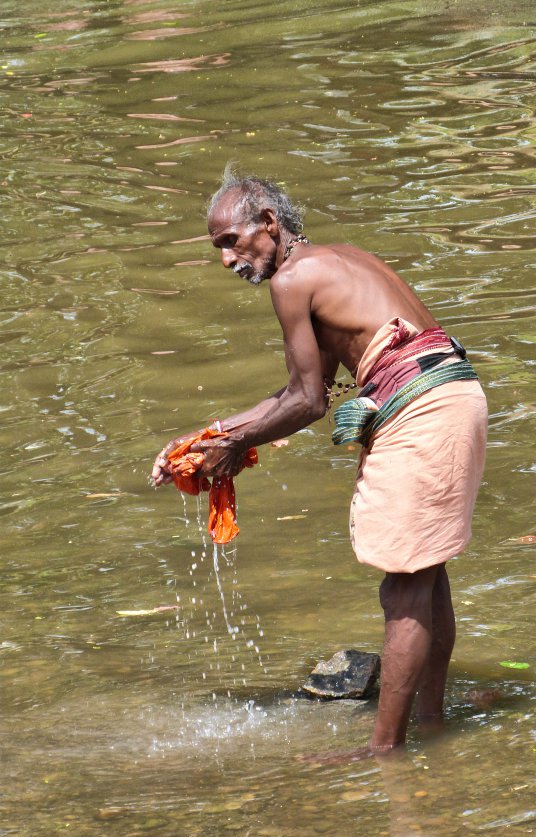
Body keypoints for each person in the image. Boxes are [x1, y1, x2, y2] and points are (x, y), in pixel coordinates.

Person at [151, 169, 488, 755]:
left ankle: (385, 750)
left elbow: (309, 402)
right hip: (457, 395)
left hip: (422, 411)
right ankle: (431, 726)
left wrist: (231, 447)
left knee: (404, 588)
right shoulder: (342, 259)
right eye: (217, 249)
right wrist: (206, 437)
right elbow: (297, 393)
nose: (227, 260)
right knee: (427, 577)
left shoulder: (292, 280)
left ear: (269, 224)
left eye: (231, 242)